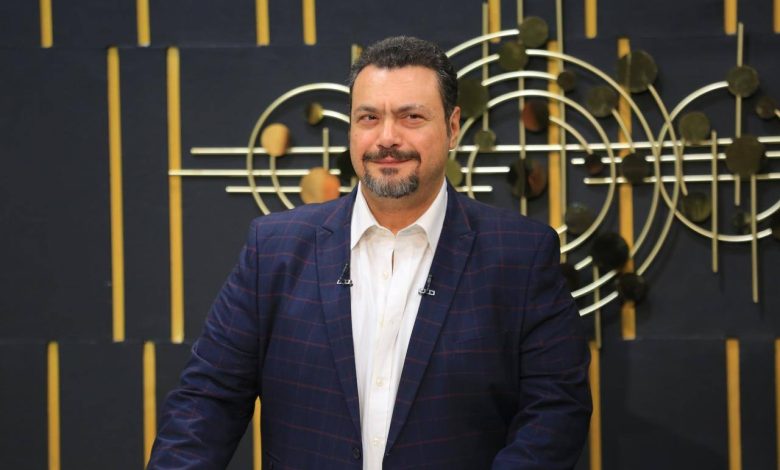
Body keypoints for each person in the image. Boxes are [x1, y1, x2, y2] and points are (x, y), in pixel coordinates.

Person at [148, 36, 591, 469]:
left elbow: (554, 411)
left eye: (411, 117)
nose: (387, 138)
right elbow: (207, 399)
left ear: (453, 127)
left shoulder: (521, 255)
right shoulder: (274, 249)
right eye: (368, 118)